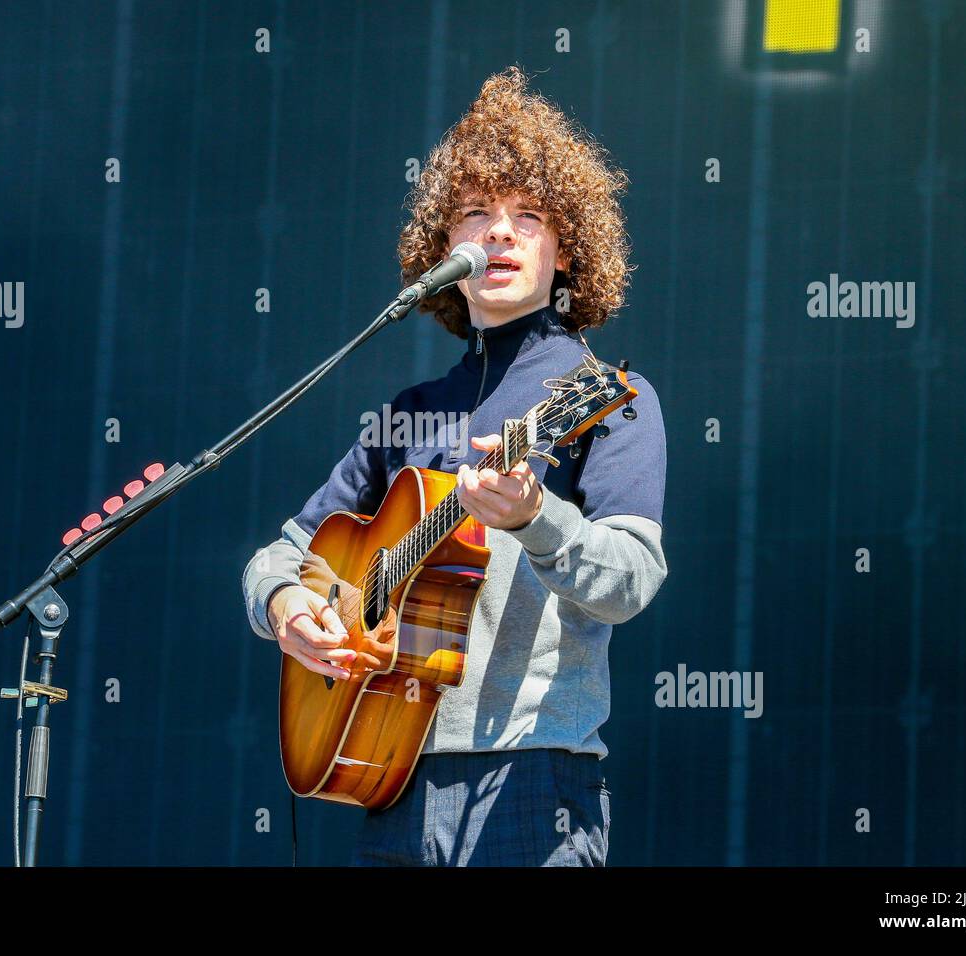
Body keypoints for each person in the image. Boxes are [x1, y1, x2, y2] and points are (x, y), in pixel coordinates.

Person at [242, 66, 667, 866]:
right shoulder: (407, 411)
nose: (499, 233)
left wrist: (535, 518)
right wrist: (288, 609)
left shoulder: (608, 395)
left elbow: (633, 579)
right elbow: (279, 554)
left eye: (529, 216)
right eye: (477, 213)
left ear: (568, 251)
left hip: (532, 785)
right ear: (445, 249)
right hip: (387, 774)